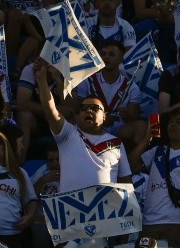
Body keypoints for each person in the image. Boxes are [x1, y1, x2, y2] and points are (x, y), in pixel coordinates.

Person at [37, 58, 133, 193]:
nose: (89, 110)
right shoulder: (67, 133)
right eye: (84, 108)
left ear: (104, 116)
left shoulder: (116, 143)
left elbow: (126, 182)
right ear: (77, 115)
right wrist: (41, 79)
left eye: (95, 108)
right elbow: (49, 108)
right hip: (71, 205)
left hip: (103, 206)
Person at [132, 108, 180, 246]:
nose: (172, 124)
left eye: (178, 121)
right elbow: (130, 167)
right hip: (150, 225)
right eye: (171, 121)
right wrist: (146, 139)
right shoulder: (157, 151)